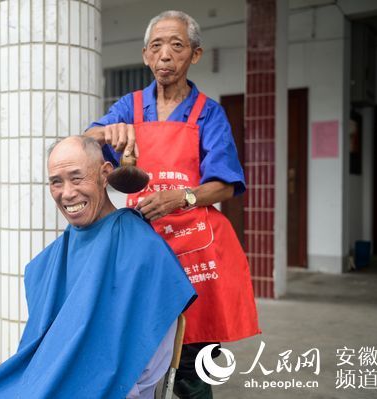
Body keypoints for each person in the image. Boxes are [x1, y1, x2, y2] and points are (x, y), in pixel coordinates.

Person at [85, 10, 260, 399]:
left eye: (177, 46)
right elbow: (88, 138)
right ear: (146, 55)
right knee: (140, 357)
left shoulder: (208, 113)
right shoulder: (129, 107)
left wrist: (182, 197)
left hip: (195, 253)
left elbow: (227, 185)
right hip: (142, 250)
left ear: (194, 55)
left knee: (193, 369)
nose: (166, 55)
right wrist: (105, 133)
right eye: (157, 46)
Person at [0, 136, 196, 399]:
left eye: (77, 178)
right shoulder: (51, 260)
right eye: (56, 182)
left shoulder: (141, 247)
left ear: (105, 175)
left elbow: (150, 362)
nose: (67, 193)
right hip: (40, 382)